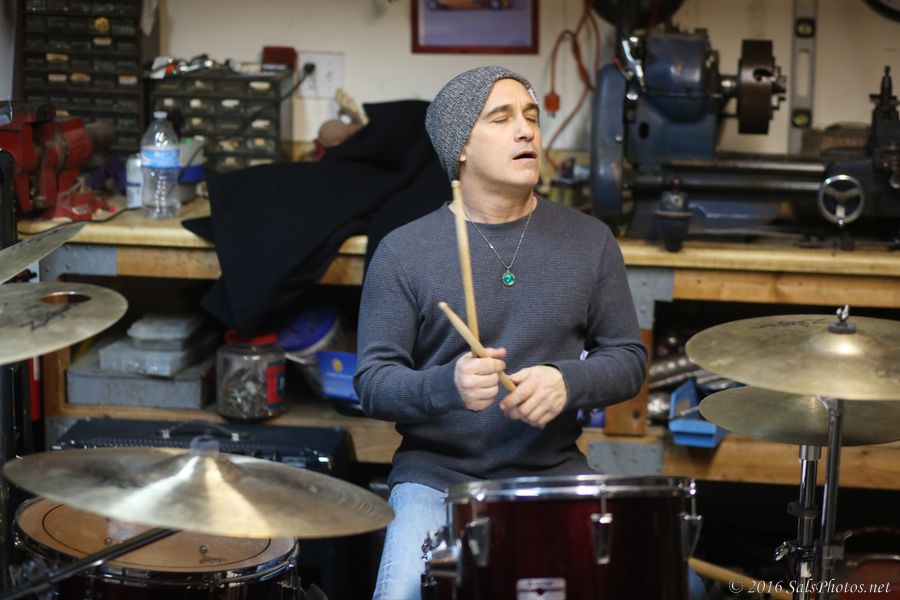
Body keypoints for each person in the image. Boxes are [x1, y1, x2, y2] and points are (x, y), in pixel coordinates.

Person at [354, 66, 704, 600]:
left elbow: (629, 359)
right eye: (502, 118)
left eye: (532, 117)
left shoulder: (590, 241)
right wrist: (447, 384)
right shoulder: (403, 252)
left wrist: (568, 381)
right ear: (460, 146)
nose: (526, 131)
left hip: (552, 472)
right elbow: (373, 383)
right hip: (437, 479)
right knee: (401, 592)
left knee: (683, 586)